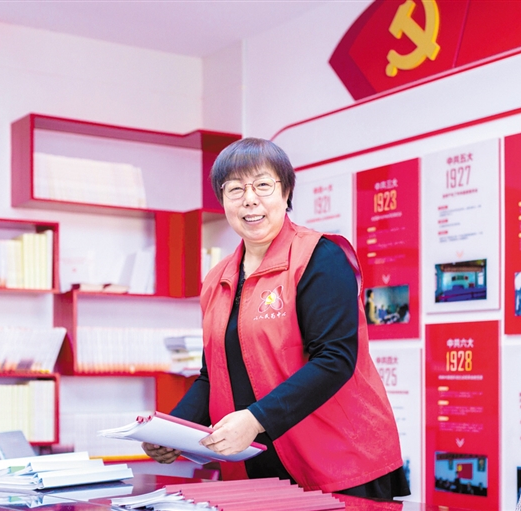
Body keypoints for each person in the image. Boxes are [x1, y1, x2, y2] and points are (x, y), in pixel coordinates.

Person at [142, 138, 409, 499]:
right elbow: (213, 376)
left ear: (286, 193)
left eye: (263, 185)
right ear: (223, 201)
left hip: (338, 462)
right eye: (235, 189)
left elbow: (335, 359)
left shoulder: (321, 257)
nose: (249, 199)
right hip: (258, 467)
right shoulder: (217, 278)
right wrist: (171, 431)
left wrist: (255, 420)